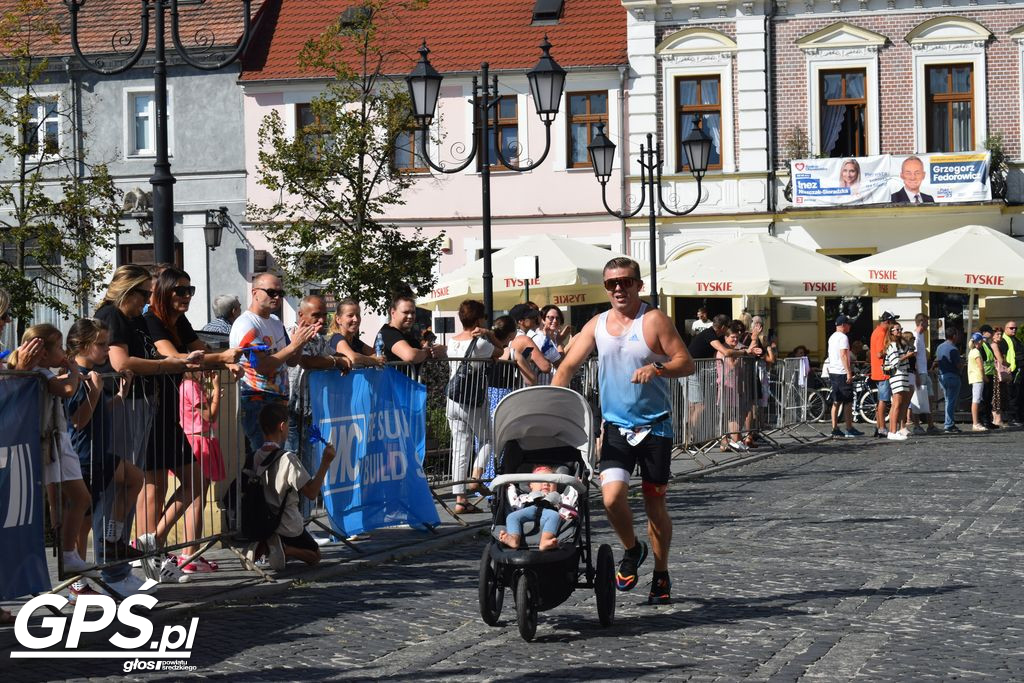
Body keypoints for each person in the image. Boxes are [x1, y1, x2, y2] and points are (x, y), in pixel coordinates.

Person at [553, 257, 694, 605]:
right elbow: (568, 366)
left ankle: (661, 573)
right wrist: (553, 404)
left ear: (638, 285)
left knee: (654, 505)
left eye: (626, 281)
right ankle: (633, 549)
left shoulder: (654, 319)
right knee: (612, 497)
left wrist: (657, 368)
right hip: (615, 428)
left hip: (655, 429)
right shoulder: (597, 324)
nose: (618, 288)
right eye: (611, 283)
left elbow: (686, 362)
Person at [94, 265, 195, 583]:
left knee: (132, 482)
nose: (147, 301)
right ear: (129, 290)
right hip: (122, 407)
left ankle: (124, 558)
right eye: (144, 294)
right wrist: (166, 363)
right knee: (116, 488)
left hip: (143, 405)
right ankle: (109, 565)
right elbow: (120, 362)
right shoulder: (112, 315)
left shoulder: (134, 318)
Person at [145, 266, 242, 576]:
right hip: (151, 410)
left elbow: (201, 349)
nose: (186, 296)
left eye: (190, 290)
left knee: (196, 481)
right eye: (180, 291)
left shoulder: (180, 320)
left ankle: (151, 543)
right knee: (152, 487)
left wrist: (228, 358)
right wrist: (222, 358)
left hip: (170, 412)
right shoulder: (152, 321)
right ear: (162, 291)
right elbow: (175, 356)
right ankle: (147, 551)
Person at [65, 318, 148, 600]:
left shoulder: (93, 374)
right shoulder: (75, 375)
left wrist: (120, 396)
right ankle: (76, 582)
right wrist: (97, 390)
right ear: (83, 346)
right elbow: (78, 421)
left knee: (134, 477)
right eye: (101, 344)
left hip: (100, 451)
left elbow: (98, 411)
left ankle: (113, 538)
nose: (105, 350)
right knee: (83, 519)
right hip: (83, 456)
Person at [10, 325, 95, 580]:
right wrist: (74, 372)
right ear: (43, 353)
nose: (63, 351)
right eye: (58, 347)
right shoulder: (39, 370)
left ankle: (69, 555)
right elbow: (65, 390)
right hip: (51, 445)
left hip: (59, 442)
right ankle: (67, 556)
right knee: (76, 499)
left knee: (78, 499)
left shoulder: (42, 372)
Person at [230, 273, 319, 455]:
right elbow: (262, 366)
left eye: (280, 293)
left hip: (278, 400)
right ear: (255, 293)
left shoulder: (276, 322)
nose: (277, 297)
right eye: (271, 292)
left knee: (277, 458)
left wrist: (300, 343)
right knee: (263, 459)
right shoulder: (246, 324)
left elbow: (292, 361)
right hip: (257, 401)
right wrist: (294, 344)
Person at [252, 402, 336, 569]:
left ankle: (265, 545)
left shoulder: (254, 456)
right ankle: (285, 549)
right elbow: (311, 492)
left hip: (263, 520)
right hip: (286, 522)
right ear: (282, 427)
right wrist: (325, 463)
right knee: (315, 556)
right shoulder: (287, 458)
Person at [445, 300, 502, 515]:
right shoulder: (480, 344)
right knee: (488, 439)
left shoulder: (452, 342)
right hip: (472, 400)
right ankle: (476, 477)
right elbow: (500, 351)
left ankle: (460, 500)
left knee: (460, 448)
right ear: (478, 320)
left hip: (453, 400)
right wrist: (488, 332)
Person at [286, 295, 350, 470]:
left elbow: (332, 356)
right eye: (316, 315)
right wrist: (337, 362)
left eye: (324, 314)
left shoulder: (319, 338)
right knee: (291, 459)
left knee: (308, 461)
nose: (322, 320)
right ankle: (291, 498)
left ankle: (307, 497)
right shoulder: (294, 332)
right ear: (301, 315)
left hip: (311, 409)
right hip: (293, 408)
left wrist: (340, 360)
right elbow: (307, 361)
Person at [498, 466, 577, 551]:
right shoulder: (526, 497)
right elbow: (515, 503)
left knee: (555, 516)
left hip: (549, 513)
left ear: (556, 486)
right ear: (530, 485)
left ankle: (545, 541)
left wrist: (575, 487)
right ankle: (513, 538)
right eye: (540, 480)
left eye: (551, 481)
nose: (546, 483)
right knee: (512, 516)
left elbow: (569, 501)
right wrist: (510, 487)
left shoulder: (560, 498)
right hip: (529, 510)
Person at [374, 295, 445, 366]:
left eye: (413, 313)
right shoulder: (388, 332)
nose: (410, 316)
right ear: (393, 313)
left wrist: (436, 350)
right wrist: (429, 352)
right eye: (406, 312)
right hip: (395, 377)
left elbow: (418, 354)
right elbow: (411, 356)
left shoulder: (406, 333)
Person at [717, 321, 754, 451]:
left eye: (737, 337)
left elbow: (750, 351)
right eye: (732, 337)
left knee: (734, 414)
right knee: (729, 414)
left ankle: (731, 440)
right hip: (727, 386)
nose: (735, 340)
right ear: (726, 338)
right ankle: (728, 441)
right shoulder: (724, 350)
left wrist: (754, 339)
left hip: (735, 386)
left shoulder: (734, 349)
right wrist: (741, 355)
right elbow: (732, 365)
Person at [826, 316, 862, 439]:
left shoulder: (832, 337)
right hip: (841, 372)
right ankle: (849, 428)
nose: (850, 326)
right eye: (848, 324)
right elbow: (843, 355)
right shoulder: (843, 337)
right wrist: (848, 372)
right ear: (843, 325)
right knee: (847, 401)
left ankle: (835, 427)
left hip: (833, 371)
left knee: (836, 401)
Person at [328, 299, 384, 368]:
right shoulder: (337, 338)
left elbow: (377, 354)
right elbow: (353, 358)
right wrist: (373, 360)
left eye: (357, 315)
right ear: (338, 319)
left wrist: (377, 358)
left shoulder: (354, 340)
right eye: (350, 315)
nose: (356, 319)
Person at [908, 313, 939, 435]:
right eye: (927, 323)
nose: (928, 325)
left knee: (930, 398)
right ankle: (916, 425)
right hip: (919, 373)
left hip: (924, 372)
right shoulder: (915, 337)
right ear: (922, 323)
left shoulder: (921, 336)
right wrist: (916, 375)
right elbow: (913, 358)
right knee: (917, 400)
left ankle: (930, 425)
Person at [884, 323, 914, 441]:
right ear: (891, 332)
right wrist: (906, 356)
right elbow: (895, 362)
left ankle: (896, 430)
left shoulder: (899, 344)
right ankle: (892, 431)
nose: (899, 331)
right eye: (897, 329)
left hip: (902, 375)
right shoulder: (892, 345)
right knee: (896, 404)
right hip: (897, 375)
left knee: (899, 403)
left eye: (900, 329)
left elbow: (911, 348)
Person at [507, 304, 551, 386]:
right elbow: (545, 366)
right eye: (530, 317)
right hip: (523, 389)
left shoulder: (509, 337)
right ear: (520, 321)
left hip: (511, 388)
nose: (535, 319)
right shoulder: (523, 339)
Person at [870, 312, 897, 438]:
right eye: (892, 322)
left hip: (879, 371)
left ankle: (878, 427)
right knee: (883, 400)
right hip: (883, 372)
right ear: (887, 321)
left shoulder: (877, 331)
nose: (893, 325)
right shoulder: (881, 333)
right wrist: (891, 350)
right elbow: (879, 354)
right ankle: (881, 428)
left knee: (881, 400)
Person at [933, 327, 962, 433]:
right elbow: (958, 365)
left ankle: (948, 423)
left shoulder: (939, 347)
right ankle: (949, 424)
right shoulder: (953, 349)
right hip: (952, 376)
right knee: (951, 401)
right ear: (954, 336)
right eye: (957, 335)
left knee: (947, 400)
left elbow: (936, 360)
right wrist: (962, 364)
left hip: (942, 375)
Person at [977, 325, 999, 429]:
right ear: (984, 332)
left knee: (988, 398)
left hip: (990, 374)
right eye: (990, 331)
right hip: (984, 375)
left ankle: (987, 420)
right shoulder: (982, 345)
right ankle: (984, 420)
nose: (992, 333)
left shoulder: (987, 344)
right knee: (984, 399)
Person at [1002, 320, 1023, 426]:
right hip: (1011, 371)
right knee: (1013, 394)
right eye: (1011, 328)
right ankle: (1012, 418)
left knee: (1019, 394)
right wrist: (1007, 367)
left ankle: (1019, 417)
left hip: (1019, 370)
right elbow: (1002, 356)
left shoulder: (1016, 339)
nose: (1014, 329)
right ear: (1006, 329)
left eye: (1015, 328)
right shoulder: (1004, 340)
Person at [967, 332, 988, 431]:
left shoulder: (972, 351)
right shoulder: (976, 352)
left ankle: (976, 422)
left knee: (977, 400)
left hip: (974, 378)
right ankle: (975, 423)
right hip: (977, 378)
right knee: (976, 401)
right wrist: (984, 377)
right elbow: (980, 366)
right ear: (979, 341)